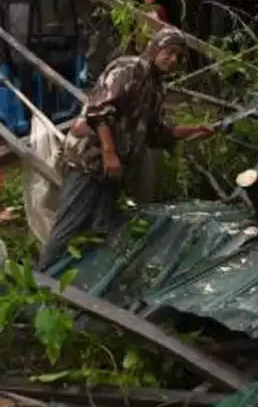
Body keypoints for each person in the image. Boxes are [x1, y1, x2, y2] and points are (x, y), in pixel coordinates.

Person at [38, 28, 217, 270]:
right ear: (155, 48)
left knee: (102, 225)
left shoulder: (155, 88)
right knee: (71, 223)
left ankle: (84, 281)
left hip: (113, 166)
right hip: (90, 158)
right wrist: (109, 152)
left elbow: (156, 133)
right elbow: (99, 110)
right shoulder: (129, 69)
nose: (172, 60)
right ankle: (42, 280)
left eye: (178, 56)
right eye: (169, 52)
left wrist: (195, 130)